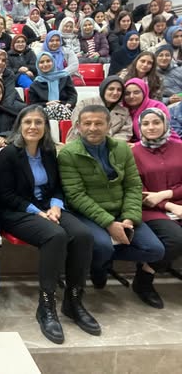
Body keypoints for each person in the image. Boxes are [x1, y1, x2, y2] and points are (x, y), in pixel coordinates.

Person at [0, 105, 99, 344]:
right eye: (28, 122)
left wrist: (55, 206)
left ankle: (73, 300)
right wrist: (38, 212)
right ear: (19, 126)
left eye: (38, 122)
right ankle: (46, 305)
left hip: (48, 207)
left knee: (83, 235)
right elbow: (5, 195)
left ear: (46, 127)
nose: (33, 127)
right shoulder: (9, 154)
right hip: (17, 211)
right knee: (56, 236)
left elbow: (57, 187)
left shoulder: (49, 151)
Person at [58, 104, 165, 306]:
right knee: (102, 246)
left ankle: (100, 261)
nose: (93, 128)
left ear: (108, 126)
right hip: (87, 214)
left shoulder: (122, 148)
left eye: (99, 123)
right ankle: (99, 266)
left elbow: (133, 185)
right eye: (87, 123)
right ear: (78, 127)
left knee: (155, 250)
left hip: (120, 211)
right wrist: (109, 224)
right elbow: (76, 195)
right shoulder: (68, 154)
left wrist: (129, 218)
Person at [131, 108, 182, 307]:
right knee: (175, 239)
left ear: (165, 124)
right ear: (139, 127)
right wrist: (168, 205)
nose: (151, 127)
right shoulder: (133, 152)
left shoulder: (179, 147)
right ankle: (144, 278)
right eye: (145, 124)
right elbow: (137, 190)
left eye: (156, 122)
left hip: (177, 203)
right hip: (150, 209)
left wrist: (167, 194)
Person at [66, 76, 132, 142]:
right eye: (111, 89)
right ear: (103, 89)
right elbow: (77, 125)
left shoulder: (124, 111)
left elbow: (125, 132)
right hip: (80, 142)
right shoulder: (85, 103)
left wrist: (109, 143)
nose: (115, 93)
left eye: (119, 90)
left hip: (111, 145)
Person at [29, 52, 77, 121]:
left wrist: (69, 104)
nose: (45, 64)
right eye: (41, 62)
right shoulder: (35, 84)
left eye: (48, 61)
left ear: (53, 62)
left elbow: (73, 95)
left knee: (59, 108)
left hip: (65, 108)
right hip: (44, 111)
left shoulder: (64, 77)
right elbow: (33, 104)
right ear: (37, 65)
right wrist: (46, 104)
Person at [122, 78, 171, 143]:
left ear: (144, 92)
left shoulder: (157, 106)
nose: (131, 96)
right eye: (127, 93)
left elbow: (164, 133)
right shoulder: (121, 110)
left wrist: (138, 145)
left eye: (136, 92)